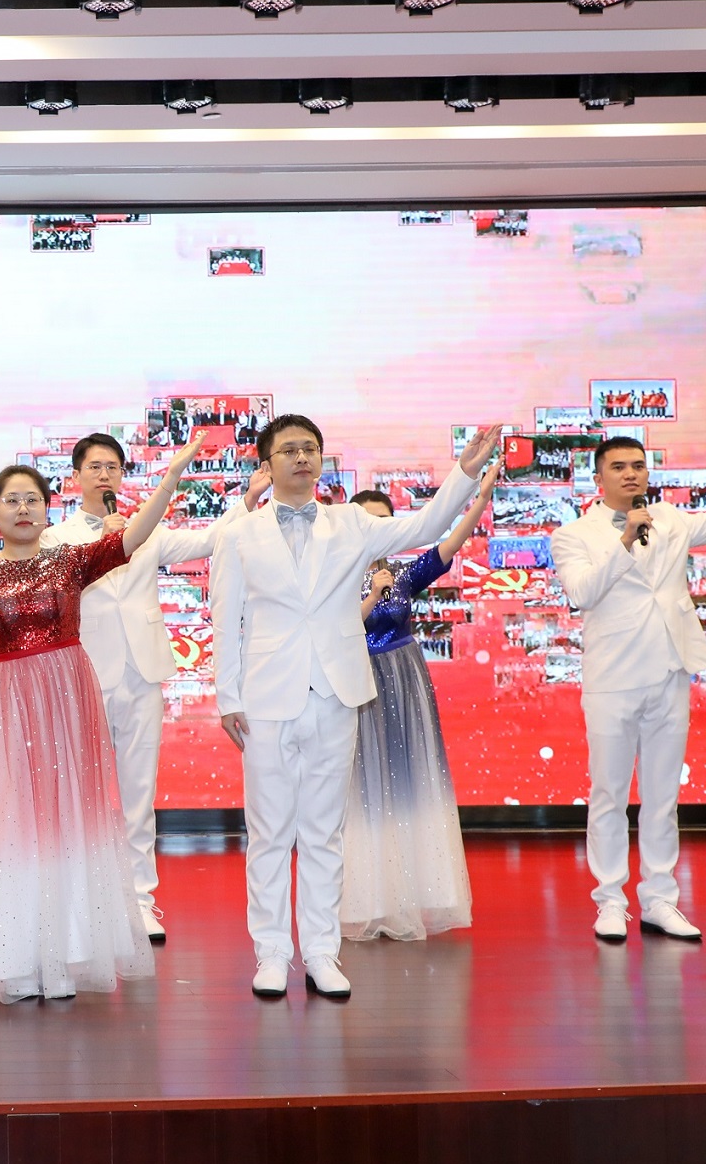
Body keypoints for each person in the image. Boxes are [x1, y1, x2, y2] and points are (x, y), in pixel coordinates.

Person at [212, 416, 500, 1001]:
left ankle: (322, 952)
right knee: (269, 833)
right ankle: (272, 952)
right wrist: (228, 697)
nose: (301, 458)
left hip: (337, 691)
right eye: (289, 450)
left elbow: (425, 525)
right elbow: (224, 618)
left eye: (310, 449)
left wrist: (464, 473)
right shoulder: (238, 533)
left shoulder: (350, 523)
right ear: (266, 464)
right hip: (266, 697)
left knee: (324, 831)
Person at [0, 436, 202, 1004]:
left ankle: (66, 953)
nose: (23, 509)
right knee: (14, 821)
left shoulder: (69, 560)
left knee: (67, 818)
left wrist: (171, 477)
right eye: (11, 501)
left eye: (32, 499)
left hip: (66, 699)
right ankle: (15, 959)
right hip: (5, 703)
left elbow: (133, 536)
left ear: (47, 508)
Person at [553, 405, 706, 943]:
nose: (631, 474)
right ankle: (610, 900)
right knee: (609, 794)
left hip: (669, 671)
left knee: (663, 795)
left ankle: (660, 899)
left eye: (638, 465)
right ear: (598, 479)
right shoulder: (574, 535)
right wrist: (624, 541)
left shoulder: (670, 519)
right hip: (613, 679)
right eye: (618, 467)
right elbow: (582, 592)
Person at [39, 432, 267, 941]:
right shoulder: (56, 539)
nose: (104, 475)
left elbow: (210, 539)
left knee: (138, 791)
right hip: (86, 672)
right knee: (82, 790)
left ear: (123, 475)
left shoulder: (148, 528)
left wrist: (248, 499)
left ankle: (140, 900)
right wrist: (105, 543)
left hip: (142, 672)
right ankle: (84, 900)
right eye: (94, 467)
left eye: (112, 467)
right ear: (75, 477)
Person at [338, 463, 499, 942]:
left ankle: (412, 892)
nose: (378, 530)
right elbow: (340, 628)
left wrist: (480, 497)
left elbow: (449, 544)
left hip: (405, 680)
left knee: (408, 780)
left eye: (386, 521)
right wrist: (373, 594)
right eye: (369, 521)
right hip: (358, 681)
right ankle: (368, 899)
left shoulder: (404, 576)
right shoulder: (338, 579)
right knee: (364, 785)